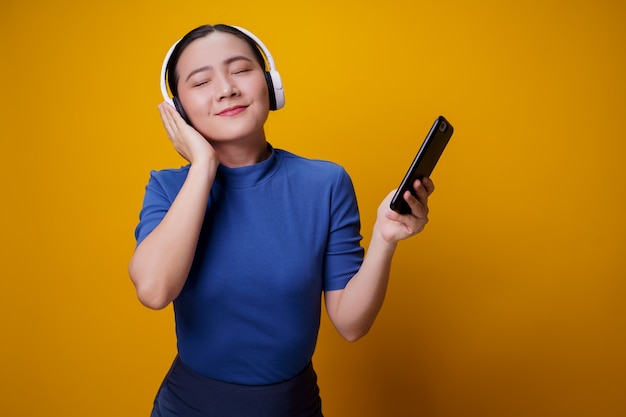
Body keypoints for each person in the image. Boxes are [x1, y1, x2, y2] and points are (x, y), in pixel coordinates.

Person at [129, 23, 435, 417]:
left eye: (241, 70)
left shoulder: (325, 183)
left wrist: (385, 237)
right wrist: (203, 165)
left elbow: (351, 324)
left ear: (270, 85)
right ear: (178, 111)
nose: (226, 89)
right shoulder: (169, 188)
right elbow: (154, 291)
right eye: (202, 81)